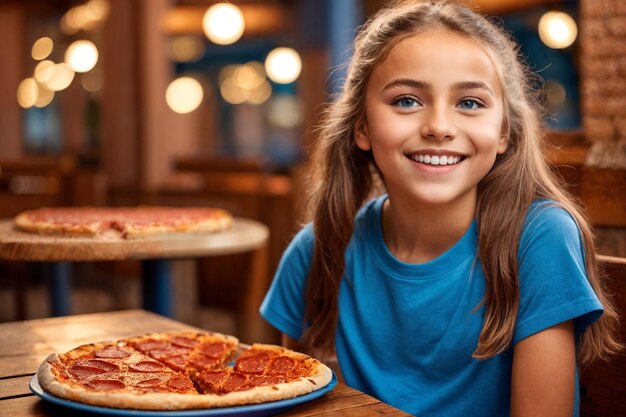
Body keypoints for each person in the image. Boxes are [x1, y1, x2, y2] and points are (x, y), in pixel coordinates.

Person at [260, 1, 622, 415]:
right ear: (362, 126)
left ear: (504, 131)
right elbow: (292, 405)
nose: (439, 126)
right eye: (407, 101)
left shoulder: (540, 239)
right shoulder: (317, 250)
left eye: (469, 103)